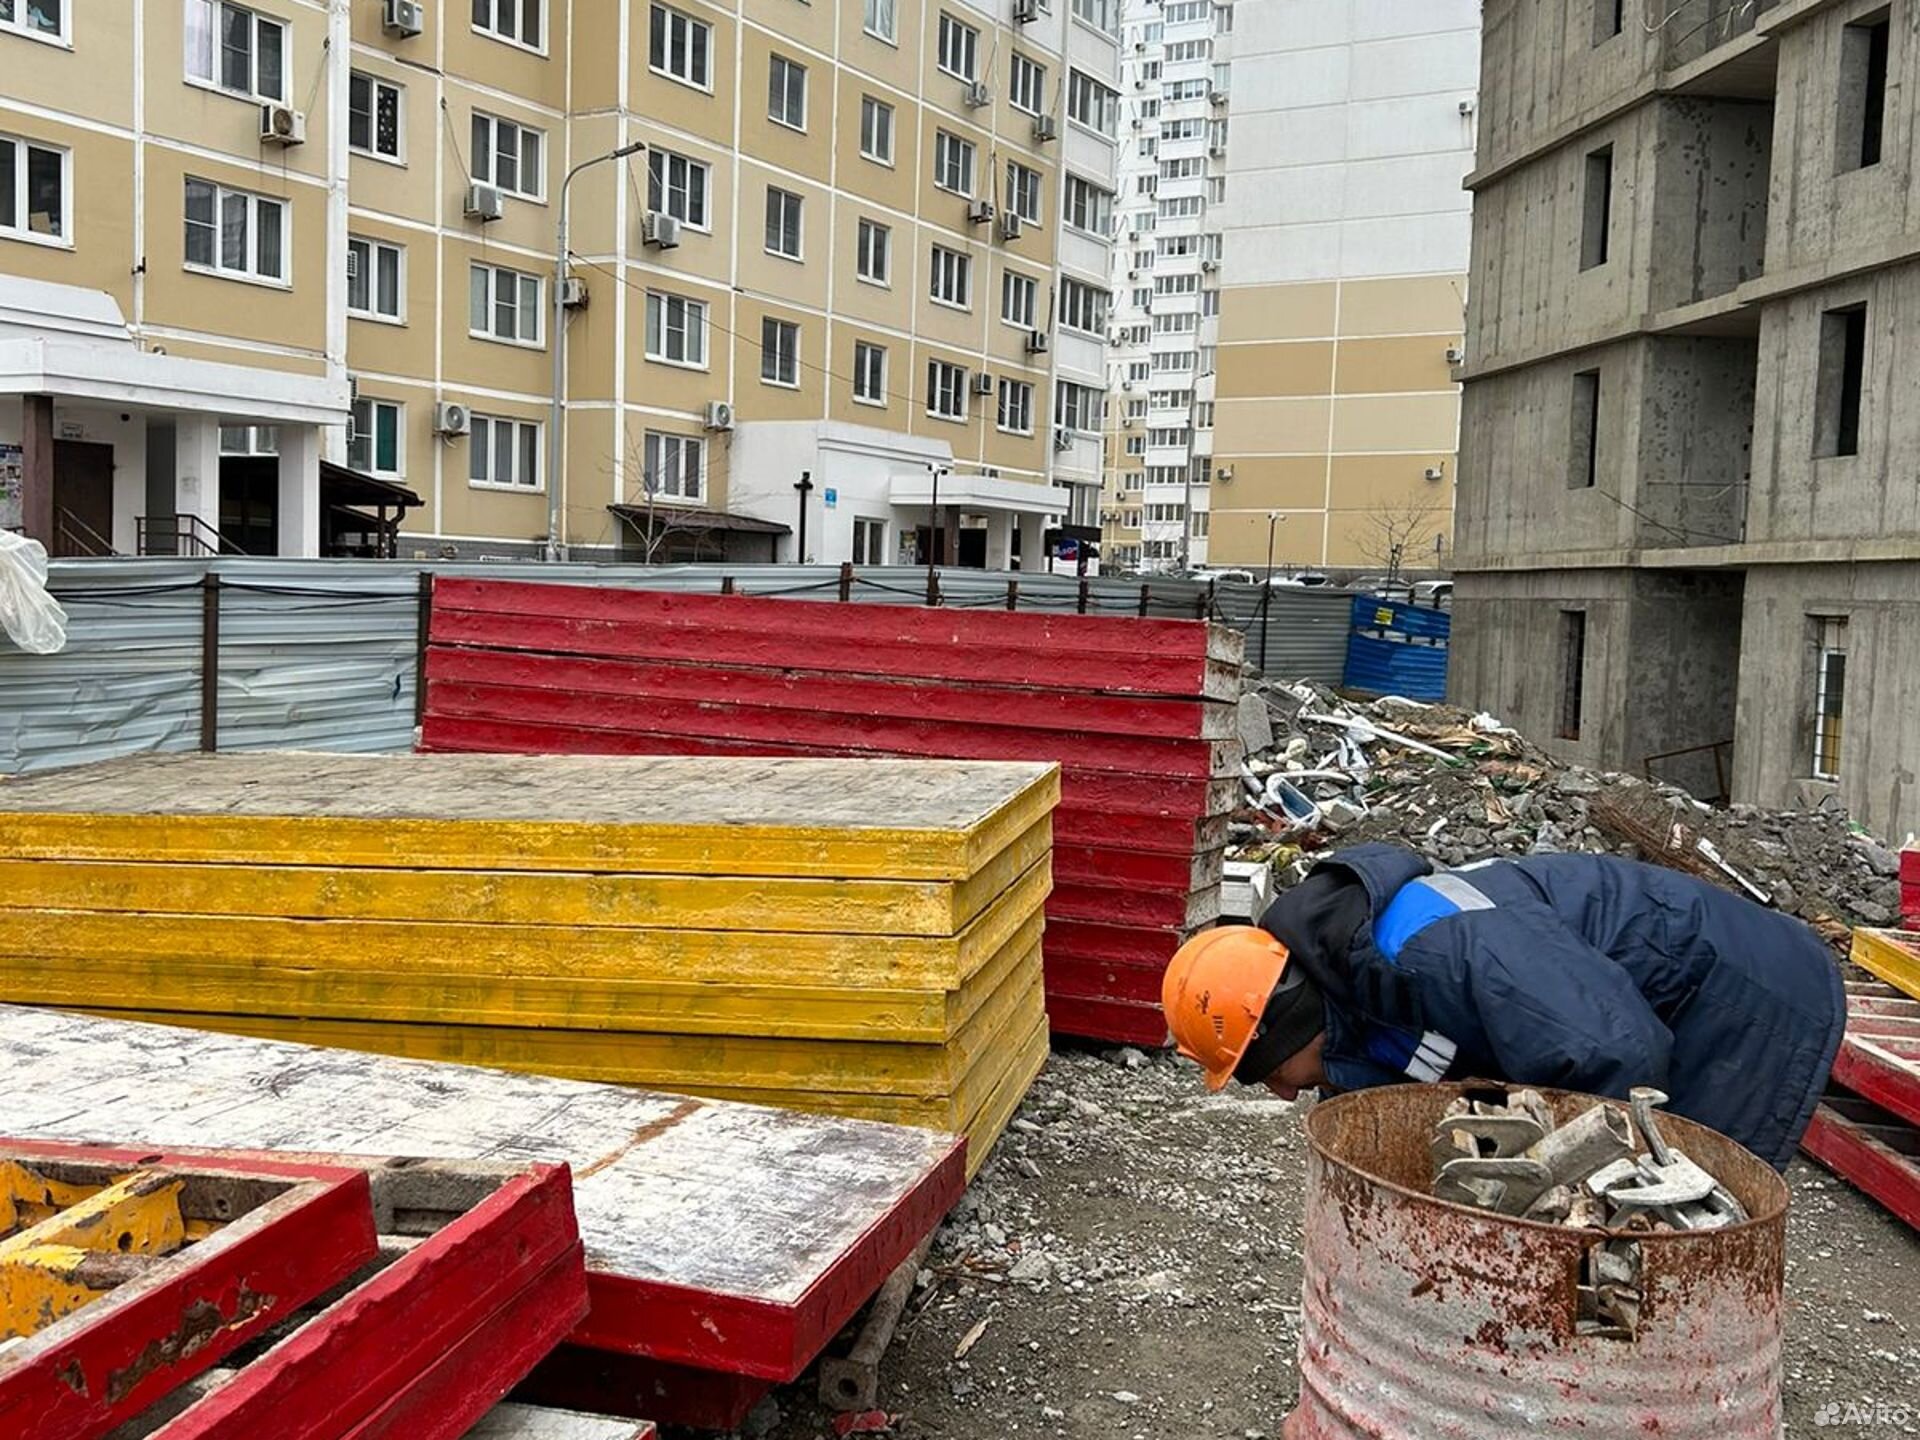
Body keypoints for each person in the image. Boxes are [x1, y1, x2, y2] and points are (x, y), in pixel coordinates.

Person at [1161, 842, 1845, 1170]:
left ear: (1283, 1027)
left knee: (1683, 1200)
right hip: (1648, 1005)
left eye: (1262, 1073)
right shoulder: (1353, 995)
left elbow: (1615, 1057)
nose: (1281, 1096)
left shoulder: (1434, 947)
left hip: (1740, 995)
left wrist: (1547, 1179)